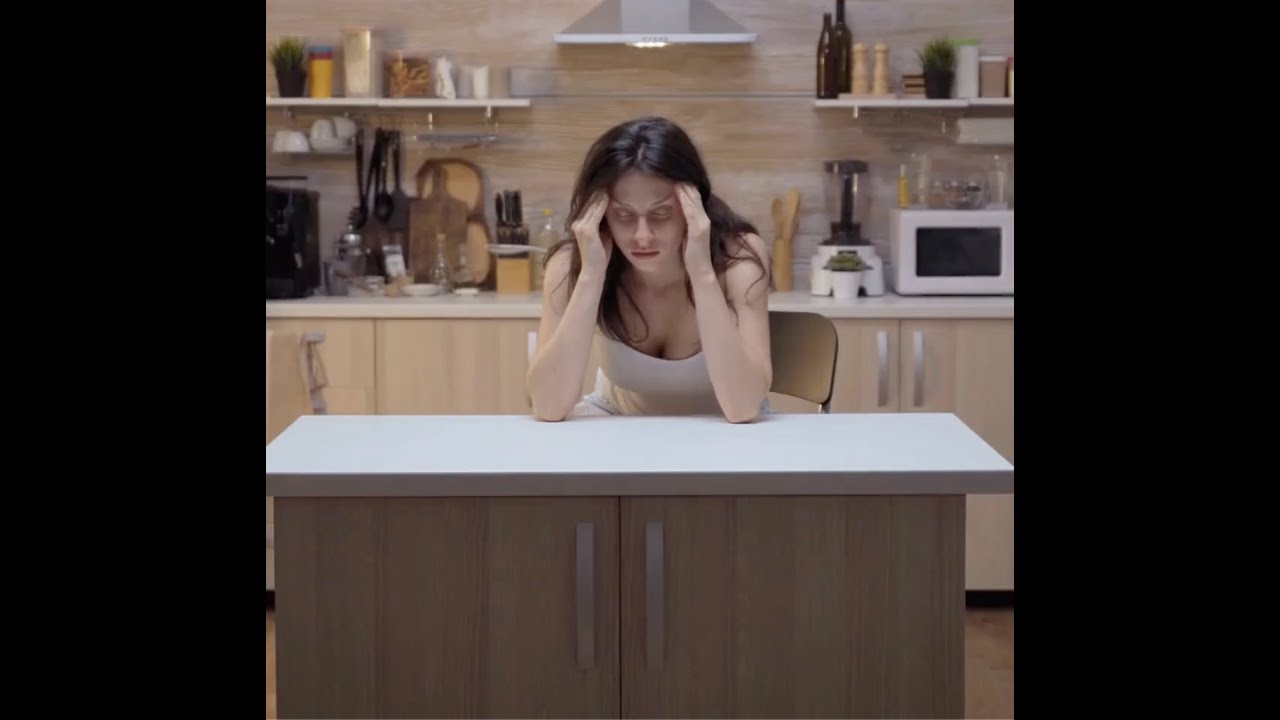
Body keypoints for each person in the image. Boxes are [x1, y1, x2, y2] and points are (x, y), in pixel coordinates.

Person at [526, 116, 774, 423]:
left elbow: (743, 408)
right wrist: (591, 277)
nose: (642, 236)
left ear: (693, 206)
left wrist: (702, 274)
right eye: (624, 216)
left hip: (728, 431)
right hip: (621, 428)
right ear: (600, 214)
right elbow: (547, 407)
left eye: (661, 213)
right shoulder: (572, 266)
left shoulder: (737, 260)